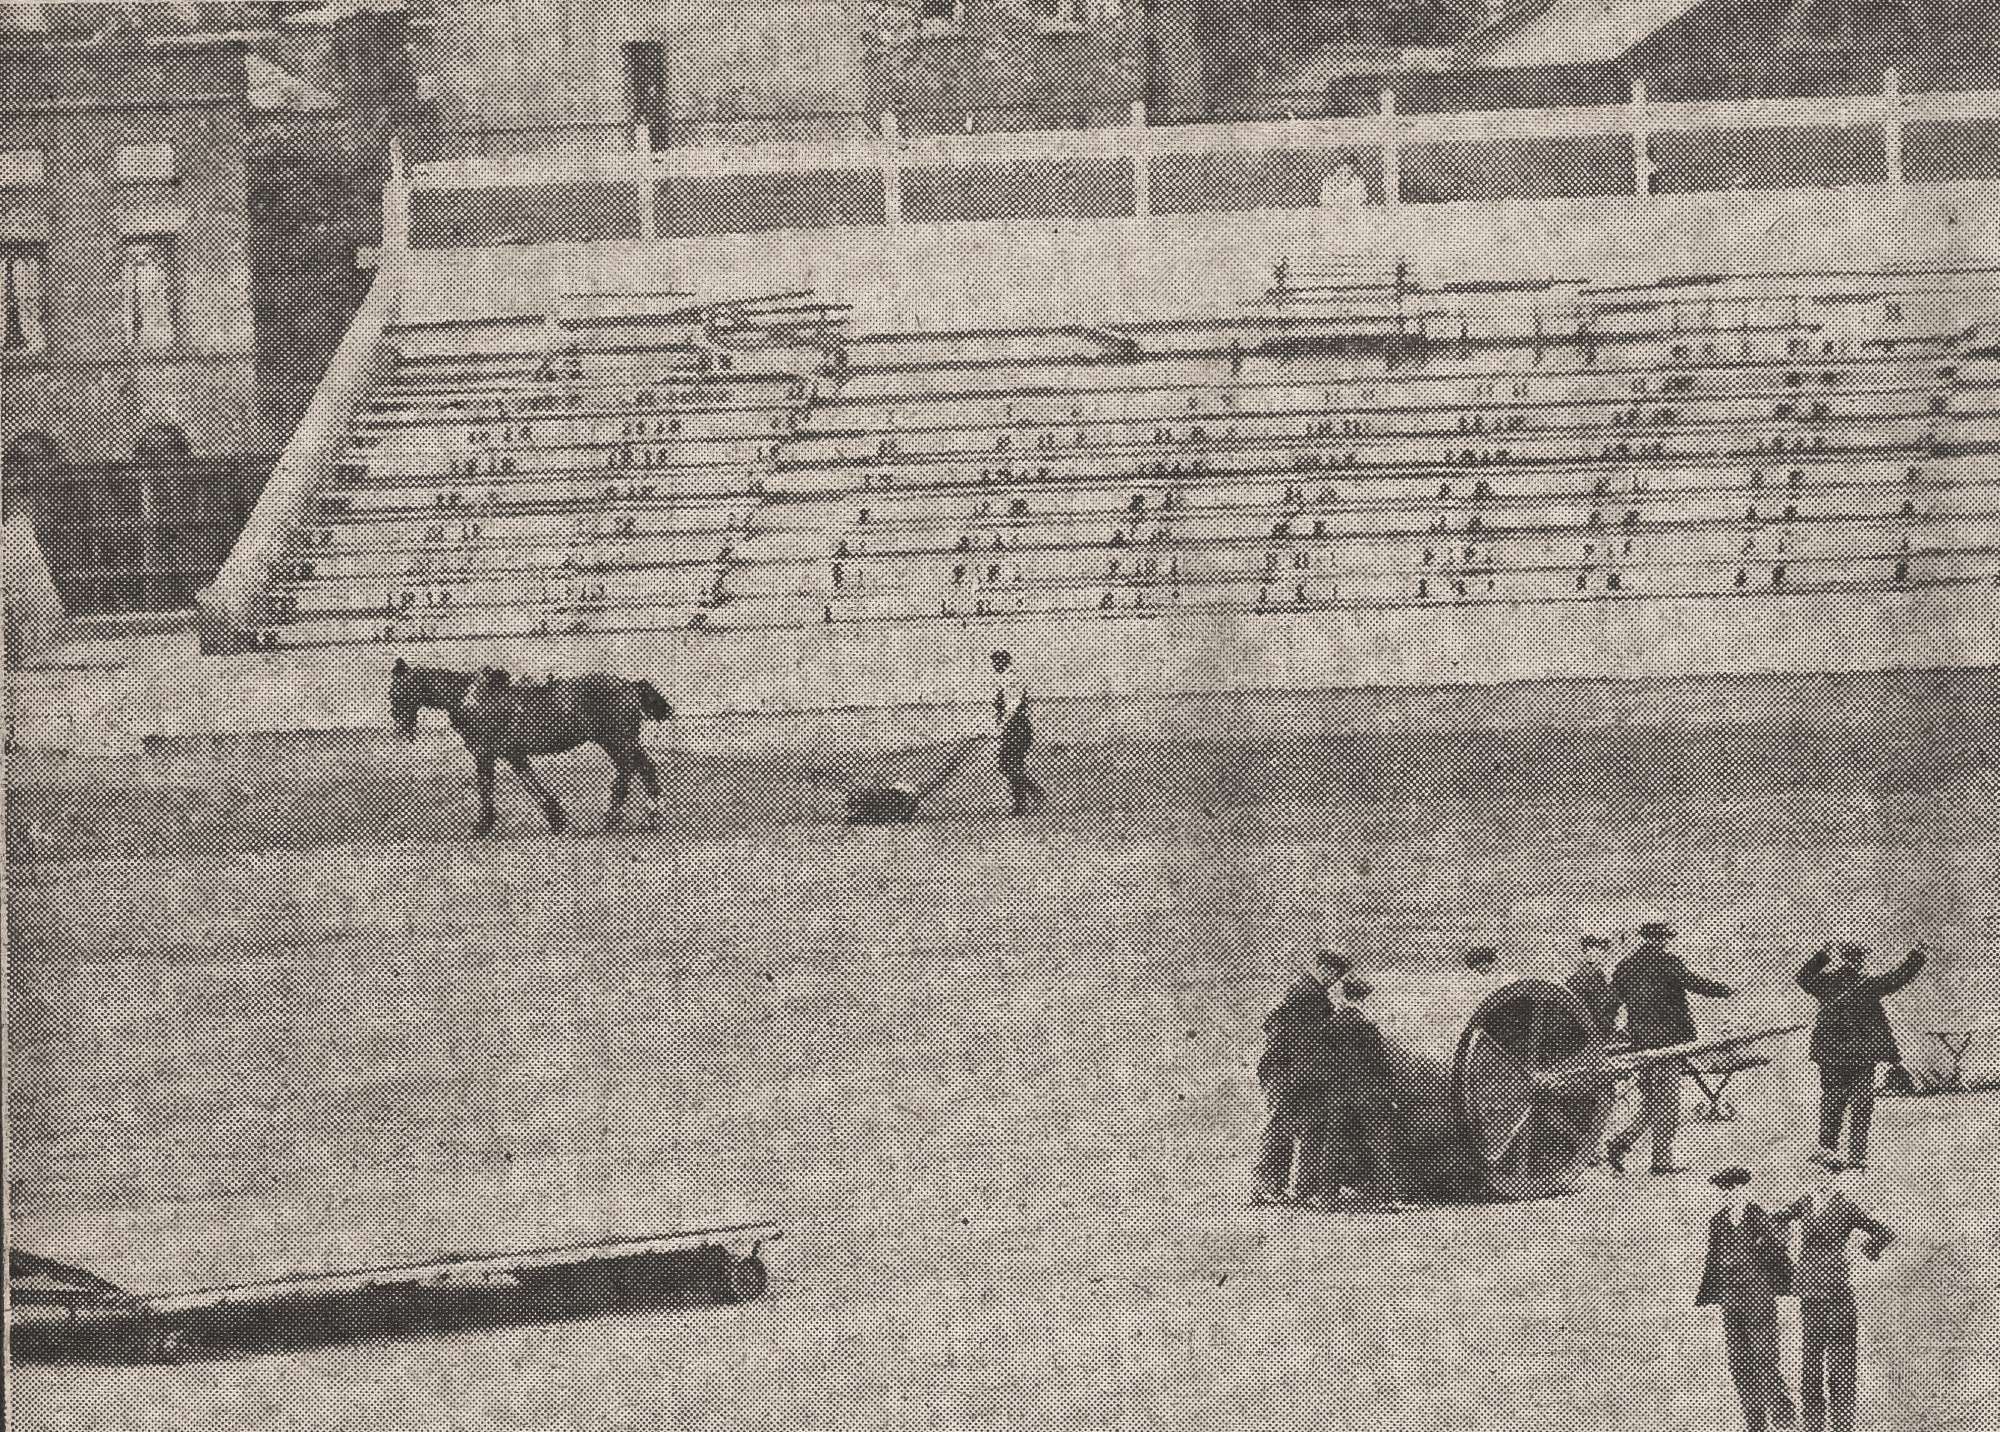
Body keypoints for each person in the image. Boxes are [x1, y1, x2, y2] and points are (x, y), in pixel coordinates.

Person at [1604, 922, 1737, 1173]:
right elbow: (1696, 984)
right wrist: (1725, 990)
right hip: (1669, 1045)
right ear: (1662, 940)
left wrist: (1612, 1032)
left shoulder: (1626, 966)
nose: (1666, 942)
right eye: (1665, 938)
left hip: (1641, 1044)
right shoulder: (1670, 962)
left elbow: (1611, 1001)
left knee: (1653, 1101)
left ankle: (1621, 1143)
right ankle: (1661, 1162)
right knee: (1667, 1102)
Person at [1774, 1161, 1894, 1432]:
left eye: (1826, 1173)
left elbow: (1884, 1232)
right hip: (1809, 1293)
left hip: (1838, 1292)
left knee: (1841, 1359)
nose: (1820, 1178)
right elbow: (1778, 1220)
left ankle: (1843, 1425)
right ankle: (1812, 1424)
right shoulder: (1803, 1202)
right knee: (1811, 1359)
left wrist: (1867, 1250)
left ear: (1834, 1176)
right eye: (1814, 1172)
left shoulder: (1846, 1206)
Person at [1797, 943, 1926, 1170]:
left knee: (1831, 1103)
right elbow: (1898, 978)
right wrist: (1917, 955)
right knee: (1861, 1106)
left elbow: (1802, 978)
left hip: (1832, 1056)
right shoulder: (1868, 985)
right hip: (1862, 1057)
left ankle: (1828, 1151)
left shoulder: (1826, 983)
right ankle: (1857, 1156)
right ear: (1859, 962)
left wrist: (1823, 956)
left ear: (1842, 960)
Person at [1697, 1167, 1798, 1432]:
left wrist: (1765, 1250)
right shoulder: (1718, 1222)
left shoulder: (1757, 1215)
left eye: (1734, 1189)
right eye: (1724, 1190)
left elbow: (1781, 1244)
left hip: (1759, 1303)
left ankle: (1784, 1417)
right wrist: (1713, 1294)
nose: (1729, 1194)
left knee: (1764, 1360)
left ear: (1744, 1189)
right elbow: (1713, 1262)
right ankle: (1755, 1424)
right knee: (1739, 1364)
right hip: (1732, 1304)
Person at [1254, 952, 1347, 1204]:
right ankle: (1272, 1188)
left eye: (1337, 976)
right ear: (1318, 967)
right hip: (1292, 1077)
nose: (1333, 979)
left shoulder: (1311, 996)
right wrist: (1287, 1074)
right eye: (1331, 972)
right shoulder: (1304, 997)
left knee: (1300, 1132)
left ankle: (1284, 1189)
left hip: (1300, 1076)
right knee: (1285, 1131)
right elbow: (1287, 1037)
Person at [1319, 977, 1418, 1209]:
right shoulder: (1368, 1029)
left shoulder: (1330, 1026)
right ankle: (1389, 1197)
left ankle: (1327, 1196)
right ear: (1363, 1000)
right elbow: (1379, 1066)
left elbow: (1322, 1064)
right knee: (1383, 1143)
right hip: (1368, 1095)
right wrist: (1390, 1096)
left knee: (1334, 1143)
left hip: (1338, 1096)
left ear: (1345, 998)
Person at [990, 650, 1044, 815]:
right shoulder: (1005, 679)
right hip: (1013, 727)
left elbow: (1012, 707)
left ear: (1003, 662)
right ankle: (1033, 794)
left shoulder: (1012, 679)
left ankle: (1022, 803)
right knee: (1009, 765)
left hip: (1018, 727)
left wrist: (1000, 726)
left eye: (996, 662)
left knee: (1009, 764)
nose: (994, 666)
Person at [1567, 935, 1616, 1035]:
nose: (1589, 951)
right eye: (1586, 948)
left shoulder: (1602, 970)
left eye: (1594, 948)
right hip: (1581, 1015)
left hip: (1595, 1015)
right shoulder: (1581, 971)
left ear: (1602, 950)